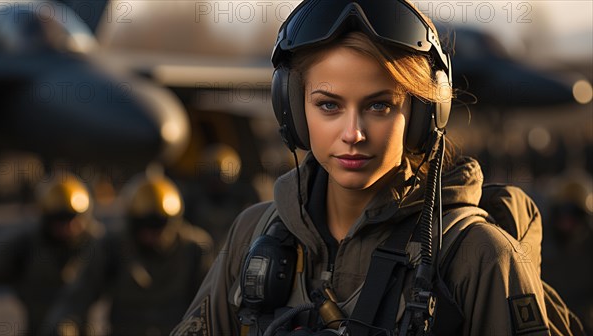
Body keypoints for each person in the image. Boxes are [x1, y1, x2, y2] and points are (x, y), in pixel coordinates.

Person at [172, 1, 553, 335]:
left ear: (423, 115)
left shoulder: (477, 257)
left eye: (379, 105)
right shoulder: (252, 234)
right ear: (292, 109)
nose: (353, 133)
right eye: (328, 105)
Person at [43, 173, 214, 336]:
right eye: (143, 224)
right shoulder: (112, 248)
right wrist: (64, 327)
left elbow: (211, 306)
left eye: (158, 225)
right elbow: (77, 298)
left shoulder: (194, 249)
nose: (150, 234)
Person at [0, 173, 103, 336]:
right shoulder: (26, 247)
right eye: (60, 220)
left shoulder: (96, 246)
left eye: (73, 219)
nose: (68, 227)